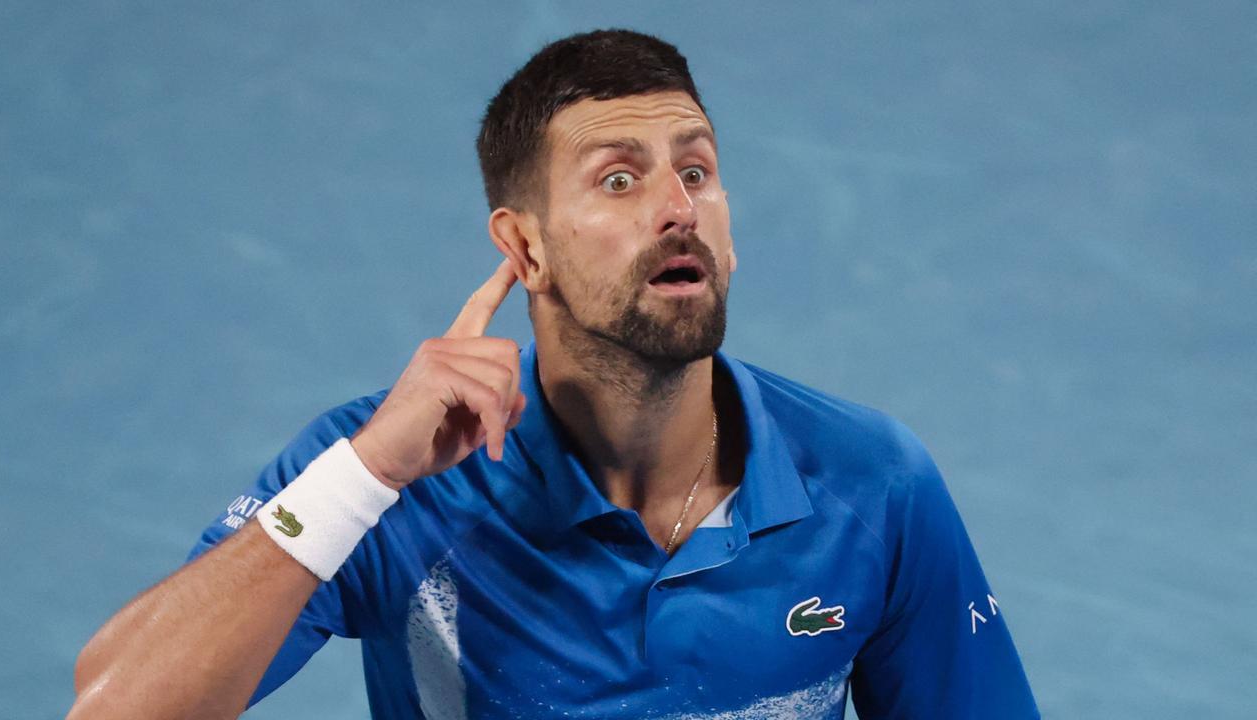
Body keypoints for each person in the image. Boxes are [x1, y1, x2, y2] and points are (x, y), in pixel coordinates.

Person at [69, 29, 1039, 719]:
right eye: (618, 179)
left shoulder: (871, 481)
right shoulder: (387, 481)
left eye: (695, 171)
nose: (676, 207)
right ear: (522, 248)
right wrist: (363, 479)